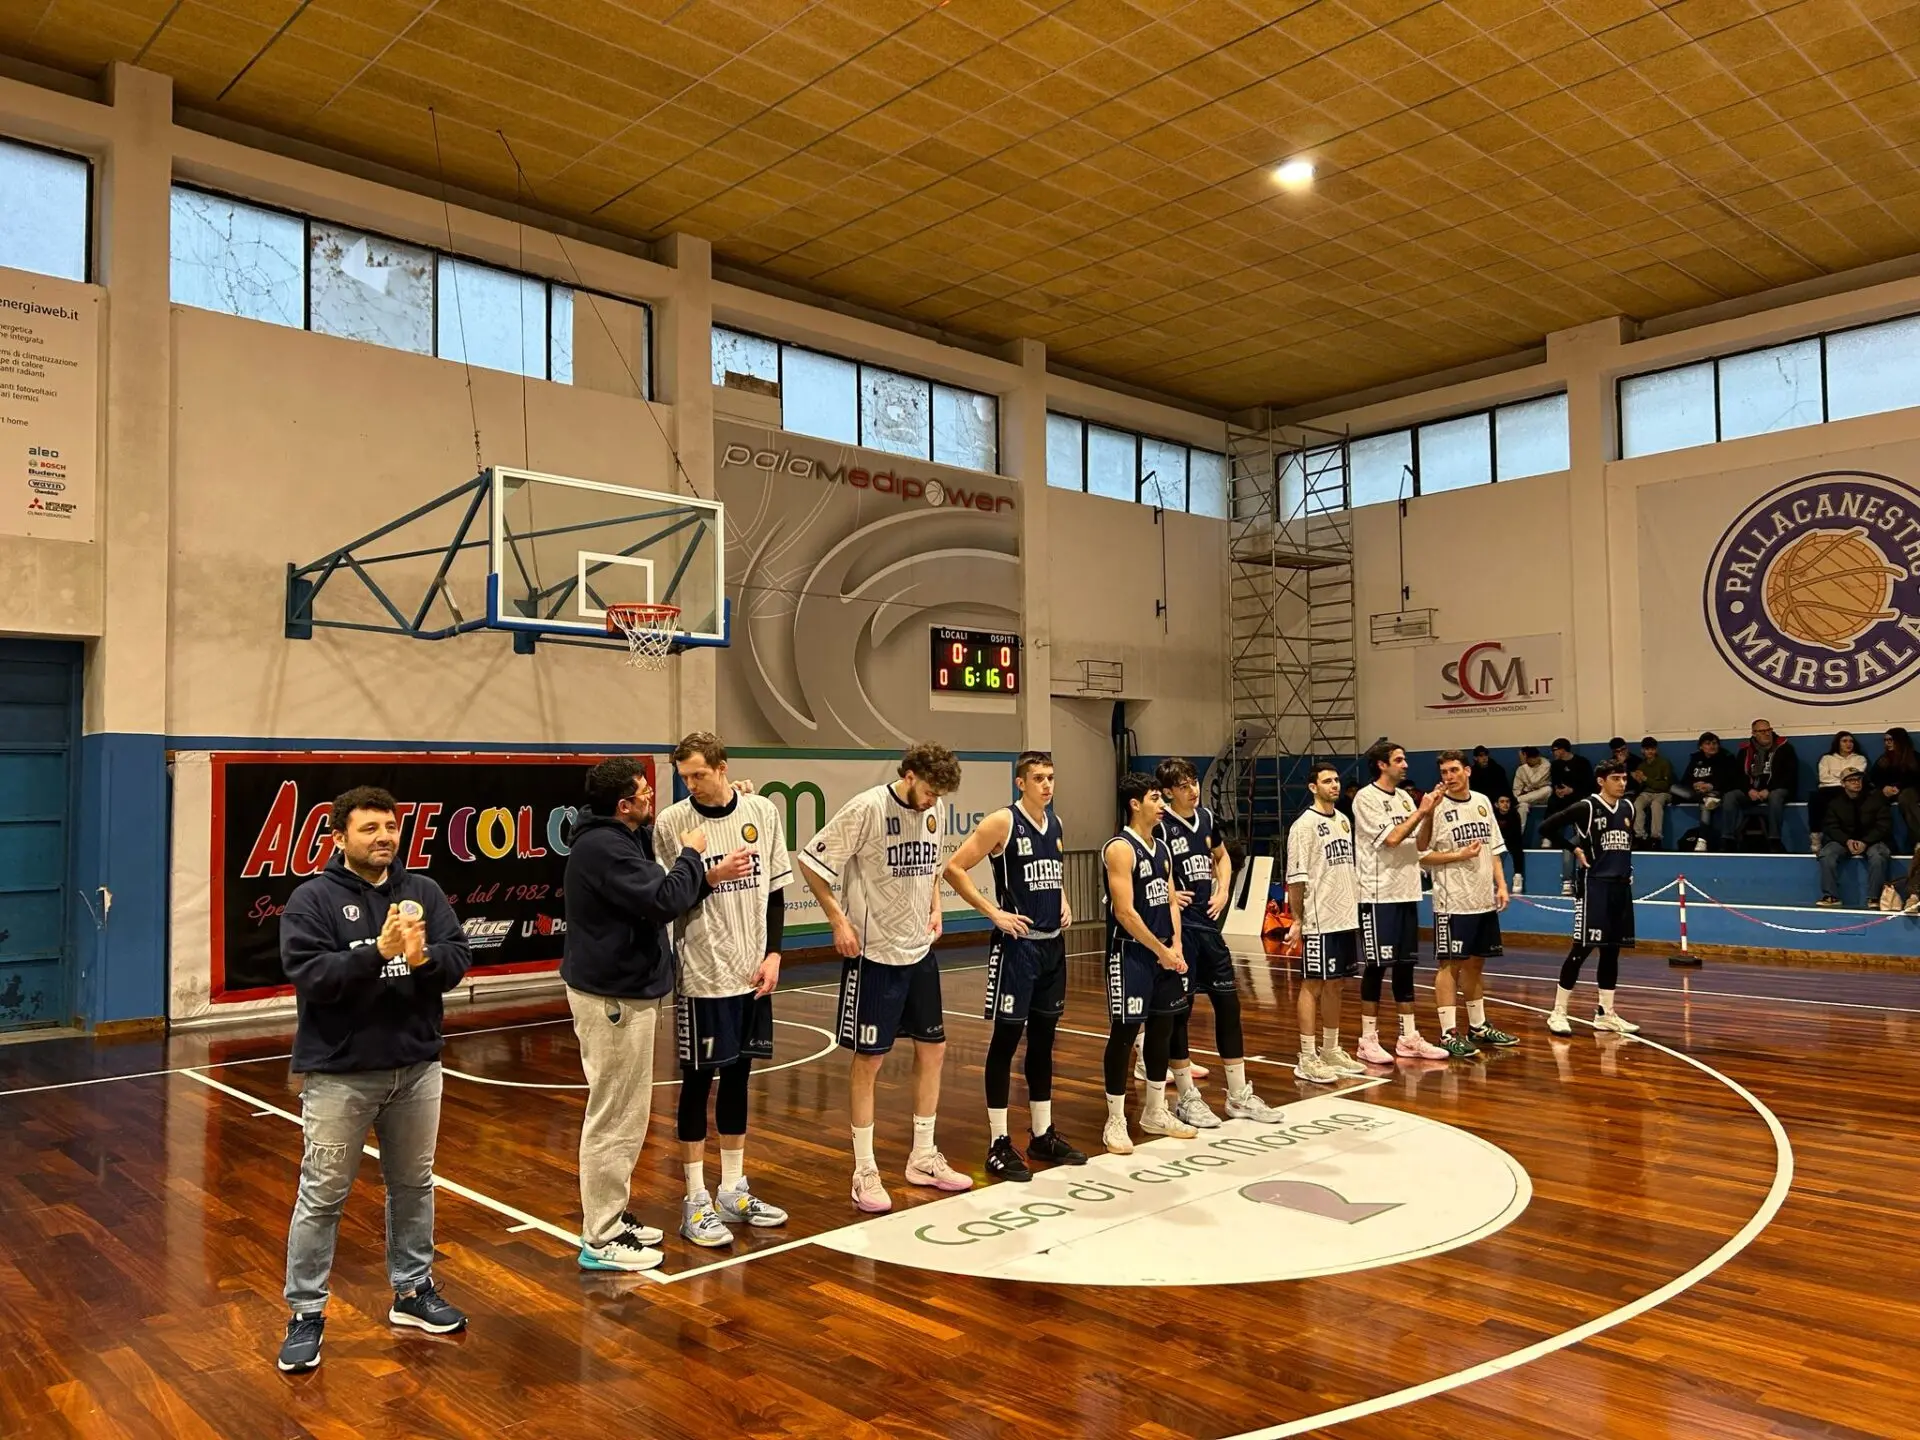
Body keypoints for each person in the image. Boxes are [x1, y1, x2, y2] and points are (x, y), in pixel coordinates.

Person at [275, 786, 475, 1373]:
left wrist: (421, 959)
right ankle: (305, 1314)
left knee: (413, 1184)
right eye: (369, 829)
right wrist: (376, 953)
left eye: (390, 826)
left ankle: (413, 1292)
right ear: (339, 838)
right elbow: (311, 976)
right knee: (322, 1196)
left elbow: (459, 959)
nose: (384, 836)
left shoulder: (424, 892)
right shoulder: (311, 899)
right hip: (340, 1076)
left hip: (416, 1069)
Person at [564, 757, 754, 1272]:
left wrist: (712, 839)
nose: (654, 797)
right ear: (623, 804)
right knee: (615, 1116)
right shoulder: (605, 848)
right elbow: (666, 897)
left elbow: (669, 888)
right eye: (645, 792)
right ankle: (600, 1237)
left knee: (627, 1113)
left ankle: (612, 1214)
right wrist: (693, 854)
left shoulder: (618, 837)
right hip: (613, 1001)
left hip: (623, 995)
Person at [802, 742, 973, 1212]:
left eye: (941, 794)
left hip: (919, 953)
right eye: (931, 790)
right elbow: (812, 861)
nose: (935, 800)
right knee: (870, 1061)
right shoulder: (867, 808)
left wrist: (936, 905)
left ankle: (922, 1156)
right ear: (911, 774)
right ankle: (864, 1170)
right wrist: (837, 919)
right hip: (873, 956)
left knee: (934, 1048)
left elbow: (933, 868)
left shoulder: (932, 813)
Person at [652, 733, 793, 1248]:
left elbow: (776, 890)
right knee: (696, 1085)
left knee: (738, 1079)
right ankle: (694, 1199)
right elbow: (669, 897)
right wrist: (711, 875)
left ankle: (733, 1188)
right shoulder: (672, 824)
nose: (691, 784)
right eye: (684, 777)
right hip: (703, 974)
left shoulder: (762, 811)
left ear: (723, 767)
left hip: (752, 972)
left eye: (699, 775)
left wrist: (774, 954)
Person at [942, 750, 1088, 1182]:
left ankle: (1042, 1134)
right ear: (1020, 782)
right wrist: (994, 913)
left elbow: (1051, 874)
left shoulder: (1055, 824)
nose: (1047, 785)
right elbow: (954, 868)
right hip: (1016, 949)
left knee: (1044, 1042)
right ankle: (998, 1142)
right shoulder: (1001, 822)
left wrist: (1061, 899)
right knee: (1006, 1043)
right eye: (1039, 778)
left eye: (1051, 777)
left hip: (1052, 948)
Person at [1150, 757, 1283, 1123]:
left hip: (1209, 931)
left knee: (1228, 1006)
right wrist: (1167, 892)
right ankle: (1186, 1095)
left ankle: (1239, 1094)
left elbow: (1222, 857)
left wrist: (1224, 888)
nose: (1192, 790)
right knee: (1180, 1012)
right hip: (1180, 932)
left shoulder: (1206, 819)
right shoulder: (1159, 826)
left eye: (1194, 782)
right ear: (1167, 792)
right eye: (1183, 785)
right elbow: (1144, 867)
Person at [1100, 773, 1194, 1153]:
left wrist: (1177, 946)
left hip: (1163, 953)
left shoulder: (1163, 847)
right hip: (1131, 954)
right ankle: (1115, 1119)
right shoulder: (1120, 848)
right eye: (1156, 798)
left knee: (1163, 1029)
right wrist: (1160, 949)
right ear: (1135, 803)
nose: (1162, 805)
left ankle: (1155, 1110)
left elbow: (1170, 900)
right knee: (1124, 1034)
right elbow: (1124, 911)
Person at [1350, 740, 1449, 1066]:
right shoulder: (1366, 799)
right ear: (1382, 764)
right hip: (1379, 894)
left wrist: (1429, 813)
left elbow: (1419, 842)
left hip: (1407, 891)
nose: (1405, 765)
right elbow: (1391, 840)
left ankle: (1408, 1037)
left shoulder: (1406, 798)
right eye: (1399, 759)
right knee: (1377, 967)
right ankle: (1368, 1039)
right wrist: (1421, 810)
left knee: (1405, 967)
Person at [1419, 751, 1516, 1058]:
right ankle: (1448, 1032)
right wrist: (1458, 856)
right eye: (1444, 772)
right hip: (1452, 902)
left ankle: (1478, 1026)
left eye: (1454, 770)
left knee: (1476, 963)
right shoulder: (1436, 807)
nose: (1449, 776)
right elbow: (1422, 854)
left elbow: (1494, 849)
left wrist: (1501, 885)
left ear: (1468, 771)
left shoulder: (1483, 802)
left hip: (1482, 899)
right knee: (1450, 965)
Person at [1541, 762, 1641, 1036]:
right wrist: (1573, 848)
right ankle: (1558, 1012)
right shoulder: (1586, 807)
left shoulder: (1628, 808)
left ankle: (1605, 1013)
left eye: (1624, 777)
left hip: (1620, 888)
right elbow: (1546, 827)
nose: (1622, 783)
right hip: (1594, 886)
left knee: (1612, 950)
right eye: (1616, 778)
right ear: (1601, 781)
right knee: (1582, 948)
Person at [1285, 763, 1367, 1085]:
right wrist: (1297, 919)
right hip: (1319, 919)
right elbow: (1296, 879)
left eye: (1336, 780)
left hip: (1345, 916)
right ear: (1312, 787)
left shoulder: (1345, 821)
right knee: (1313, 984)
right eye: (1327, 781)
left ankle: (1330, 1049)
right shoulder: (1303, 827)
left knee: (1337, 984)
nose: (1335, 785)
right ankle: (1307, 1055)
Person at [1817, 768, 1893, 909]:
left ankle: (1874, 898)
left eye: (1858, 779)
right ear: (1843, 784)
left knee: (1878, 855)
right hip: (1845, 841)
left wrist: (1866, 841)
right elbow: (1831, 827)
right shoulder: (1835, 803)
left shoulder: (1876, 799)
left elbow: (1884, 825)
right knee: (1826, 854)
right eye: (1852, 780)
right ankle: (1831, 897)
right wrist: (1847, 841)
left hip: (1872, 840)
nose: (1856, 783)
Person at [1723, 719, 1798, 850]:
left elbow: (1789, 775)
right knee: (1730, 797)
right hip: (1752, 790)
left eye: (1768, 730)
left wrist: (1768, 789)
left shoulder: (1785, 748)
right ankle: (1727, 839)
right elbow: (1738, 775)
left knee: (1775, 796)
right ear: (1754, 733)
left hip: (1776, 788)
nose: (1766, 734)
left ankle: (1775, 840)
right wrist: (1748, 790)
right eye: (1762, 731)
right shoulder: (1745, 751)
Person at [1673, 732, 1742, 847]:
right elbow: (1685, 780)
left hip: (1714, 792)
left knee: (1706, 805)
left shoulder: (1726, 758)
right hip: (1696, 793)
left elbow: (1731, 780)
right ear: (1701, 747)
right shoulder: (1695, 759)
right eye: (1708, 743)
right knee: (1673, 787)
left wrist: (1711, 786)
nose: (1712, 746)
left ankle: (1702, 841)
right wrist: (1694, 785)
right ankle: (1703, 799)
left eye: (1714, 743)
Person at [1545, 738, 1596, 892]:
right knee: (1552, 801)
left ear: (1563, 750)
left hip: (1579, 797)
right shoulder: (1555, 765)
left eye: (1555, 750)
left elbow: (1589, 787)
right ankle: (1548, 835)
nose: (1553, 753)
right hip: (1563, 798)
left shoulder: (1582, 763)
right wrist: (1559, 791)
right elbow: (1555, 782)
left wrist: (1572, 791)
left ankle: (1583, 879)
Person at [1810, 731, 1867, 851]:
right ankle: (1816, 836)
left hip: (1848, 790)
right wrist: (1844, 778)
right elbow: (1824, 778)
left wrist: (1839, 778)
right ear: (1838, 743)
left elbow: (1856, 776)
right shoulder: (1827, 759)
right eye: (1844, 741)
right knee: (1815, 798)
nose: (1848, 744)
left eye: (1851, 741)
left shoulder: (1859, 759)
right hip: (1828, 789)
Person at [1870, 727, 1920, 841]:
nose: (1887, 743)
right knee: (1874, 798)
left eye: (1890, 740)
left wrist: (1898, 787)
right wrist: (1884, 787)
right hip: (1890, 790)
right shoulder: (1884, 759)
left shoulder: (1914, 757)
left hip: (1911, 789)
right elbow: (1874, 777)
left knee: (1905, 798)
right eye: (1885, 740)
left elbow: (1916, 778)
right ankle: (1880, 840)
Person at [1632, 737, 1674, 847]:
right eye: (1647, 749)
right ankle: (1640, 836)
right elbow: (1642, 786)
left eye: (1652, 749)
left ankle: (1656, 838)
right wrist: (1638, 780)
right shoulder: (1641, 765)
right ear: (1642, 751)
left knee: (1656, 804)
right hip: (1647, 793)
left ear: (1656, 750)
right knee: (1637, 804)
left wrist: (1645, 779)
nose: (1650, 751)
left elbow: (1664, 786)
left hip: (1663, 793)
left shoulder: (1664, 763)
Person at [1512, 746, 1552, 831]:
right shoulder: (1521, 769)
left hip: (1542, 796)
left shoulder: (1546, 764)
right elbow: (1516, 789)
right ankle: (1518, 835)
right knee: (1522, 807)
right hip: (1526, 798)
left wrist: (1524, 764)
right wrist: (1521, 793)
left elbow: (1534, 781)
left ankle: (1516, 800)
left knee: (1548, 789)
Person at [1494, 793, 1526, 893]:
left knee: (1518, 850)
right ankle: (1494, 880)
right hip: (1497, 841)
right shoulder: (1492, 815)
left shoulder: (1515, 815)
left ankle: (1518, 876)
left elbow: (1516, 834)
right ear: (1496, 804)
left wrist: (1505, 839)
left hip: (1511, 841)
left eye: (1507, 802)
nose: (1505, 804)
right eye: (1502, 802)